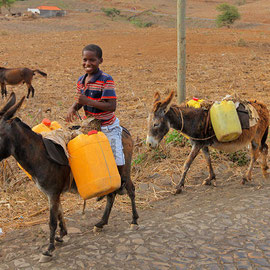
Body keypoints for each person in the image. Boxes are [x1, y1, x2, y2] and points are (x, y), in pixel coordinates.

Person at [66, 44, 125, 191]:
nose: (88, 63)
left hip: (107, 126)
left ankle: (122, 182)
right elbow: (80, 99)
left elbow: (111, 106)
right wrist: (73, 108)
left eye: (92, 60)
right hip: (91, 125)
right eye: (85, 59)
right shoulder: (81, 80)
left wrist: (87, 102)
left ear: (100, 61)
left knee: (117, 158)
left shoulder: (106, 79)